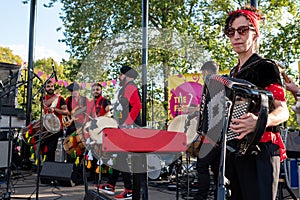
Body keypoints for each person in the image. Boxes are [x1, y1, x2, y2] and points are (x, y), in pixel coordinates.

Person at [224, 5, 289, 200]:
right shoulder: (232, 74)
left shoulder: (265, 67)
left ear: (255, 34)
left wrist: (259, 121)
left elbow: (283, 110)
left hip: (260, 150)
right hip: (235, 152)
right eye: (231, 31)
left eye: (243, 30)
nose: (236, 36)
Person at [96, 66, 142, 200]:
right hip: (126, 126)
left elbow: (137, 106)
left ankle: (128, 189)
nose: (119, 77)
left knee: (121, 156)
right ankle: (111, 184)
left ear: (126, 75)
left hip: (130, 127)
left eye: (121, 74)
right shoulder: (126, 88)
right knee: (120, 156)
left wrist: (126, 123)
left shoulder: (130, 87)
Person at [194, 61, 220, 200]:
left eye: (203, 72)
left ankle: (201, 196)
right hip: (216, 135)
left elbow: (216, 111)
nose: (203, 75)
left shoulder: (213, 84)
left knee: (202, 165)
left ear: (207, 71)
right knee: (216, 167)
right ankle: (218, 195)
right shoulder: (217, 84)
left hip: (213, 135)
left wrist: (212, 135)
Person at [41, 80, 68, 162]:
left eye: (52, 86)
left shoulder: (61, 99)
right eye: (48, 86)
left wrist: (55, 109)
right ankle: (44, 166)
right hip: (46, 127)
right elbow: (45, 104)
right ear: (45, 88)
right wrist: (55, 97)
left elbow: (66, 111)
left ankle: (50, 167)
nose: (50, 88)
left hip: (56, 128)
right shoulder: (43, 97)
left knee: (51, 149)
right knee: (43, 148)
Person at [64, 82, 89, 163]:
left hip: (82, 125)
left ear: (78, 91)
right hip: (71, 125)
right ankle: (70, 166)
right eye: (70, 91)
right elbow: (66, 111)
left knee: (81, 148)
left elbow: (88, 111)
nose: (72, 93)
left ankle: (81, 169)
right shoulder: (68, 99)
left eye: (73, 91)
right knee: (69, 146)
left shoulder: (85, 99)